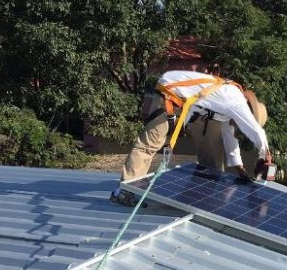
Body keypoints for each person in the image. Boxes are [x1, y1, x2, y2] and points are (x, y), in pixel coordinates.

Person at [110, 70, 272, 206]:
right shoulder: (235, 101)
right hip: (170, 94)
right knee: (148, 145)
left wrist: (240, 171)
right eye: (241, 123)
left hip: (189, 107)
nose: (237, 128)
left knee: (212, 144)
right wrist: (266, 157)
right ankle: (124, 192)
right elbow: (257, 133)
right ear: (247, 113)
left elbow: (230, 141)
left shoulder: (229, 109)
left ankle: (203, 191)